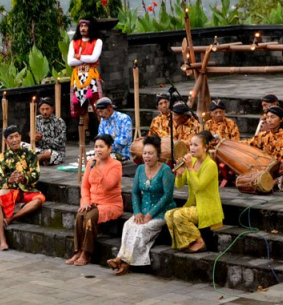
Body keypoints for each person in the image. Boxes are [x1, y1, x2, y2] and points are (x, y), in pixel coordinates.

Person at [107, 135, 175, 275]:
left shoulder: (165, 170)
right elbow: (135, 193)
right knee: (128, 225)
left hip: (161, 211)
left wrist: (151, 214)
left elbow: (167, 196)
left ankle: (123, 262)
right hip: (143, 210)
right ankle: (121, 259)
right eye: (145, 153)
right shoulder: (139, 169)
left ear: (158, 155)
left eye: (150, 153)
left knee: (141, 230)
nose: (147, 156)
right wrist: (137, 212)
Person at [65, 134, 123, 266]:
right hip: (92, 202)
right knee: (80, 215)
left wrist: (97, 168)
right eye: (96, 147)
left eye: (102, 147)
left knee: (90, 217)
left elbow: (108, 185)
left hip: (110, 204)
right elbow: (85, 186)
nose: (98, 150)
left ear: (109, 148)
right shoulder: (91, 162)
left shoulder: (116, 165)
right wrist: (85, 201)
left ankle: (87, 253)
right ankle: (77, 251)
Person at [165, 131, 223, 253]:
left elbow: (198, 187)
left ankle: (199, 241)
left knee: (178, 215)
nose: (192, 148)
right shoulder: (194, 161)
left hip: (208, 208)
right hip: (193, 205)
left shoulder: (210, 165)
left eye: (196, 145)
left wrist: (190, 168)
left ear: (205, 147)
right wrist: (180, 174)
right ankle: (186, 242)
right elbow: (179, 185)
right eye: (190, 144)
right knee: (168, 214)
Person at [0, 125, 46, 250]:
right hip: (10, 189)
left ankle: (12, 218)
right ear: (6, 141)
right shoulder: (2, 157)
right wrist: (9, 180)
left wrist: (24, 178)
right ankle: (3, 240)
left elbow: (36, 175)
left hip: (27, 189)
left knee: (39, 200)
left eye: (17, 136)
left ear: (21, 137)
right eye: (11, 137)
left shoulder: (30, 153)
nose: (15, 140)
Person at [245, 106, 283, 192]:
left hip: (281, 173)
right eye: (268, 117)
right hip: (265, 170)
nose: (269, 120)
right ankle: (264, 181)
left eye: (273, 117)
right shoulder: (262, 136)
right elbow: (248, 143)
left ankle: (274, 183)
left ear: (281, 119)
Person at [68, 18, 103, 118]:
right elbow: (70, 61)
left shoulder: (97, 42)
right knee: (80, 108)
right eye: (81, 26)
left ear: (90, 27)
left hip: (91, 77)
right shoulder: (73, 42)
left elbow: (94, 58)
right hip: (77, 78)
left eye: (85, 26)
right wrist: (86, 58)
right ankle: (84, 133)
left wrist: (79, 57)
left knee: (98, 106)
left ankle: (102, 132)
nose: (83, 28)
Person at [21, 97, 67, 165]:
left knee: (47, 154)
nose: (45, 112)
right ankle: (36, 160)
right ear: (39, 110)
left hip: (54, 152)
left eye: (47, 109)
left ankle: (30, 162)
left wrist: (42, 139)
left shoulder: (59, 122)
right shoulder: (35, 119)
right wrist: (31, 135)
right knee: (20, 144)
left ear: (52, 109)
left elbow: (60, 143)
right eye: (42, 109)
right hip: (38, 150)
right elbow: (25, 135)